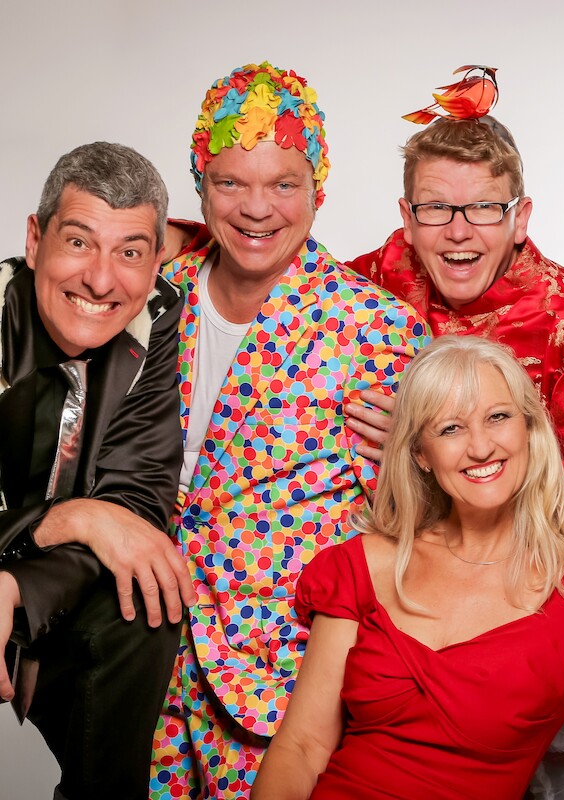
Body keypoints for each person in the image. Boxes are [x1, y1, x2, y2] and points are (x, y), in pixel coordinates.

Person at [149, 60, 429, 799]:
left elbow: (419, 527)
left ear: (317, 191)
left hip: (284, 691)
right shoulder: (152, 296)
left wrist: (418, 452)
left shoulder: (376, 329)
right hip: (142, 661)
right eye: (230, 182)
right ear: (200, 183)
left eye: (283, 184)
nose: (256, 208)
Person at [252, 335, 564, 800]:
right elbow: (302, 747)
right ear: (420, 454)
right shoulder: (363, 565)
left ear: (530, 429)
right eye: (450, 429)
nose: (480, 447)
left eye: (498, 417)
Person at [346, 109, 564, 562]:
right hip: (383, 558)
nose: (458, 232)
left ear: (520, 218)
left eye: (484, 208)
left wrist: (438, 453)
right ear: (408, 219)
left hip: (519, 575)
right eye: (435, 208)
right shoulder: (374, 279)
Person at [0, 142, 195, 799]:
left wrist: (19, 585)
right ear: (35, 240)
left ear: (158, 260)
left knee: (145, 596)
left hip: (35, 581)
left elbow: (133, 505)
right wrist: (74, 519)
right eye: (79, 242)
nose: (102, 281)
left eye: (130, 252)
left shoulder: (154, 319)